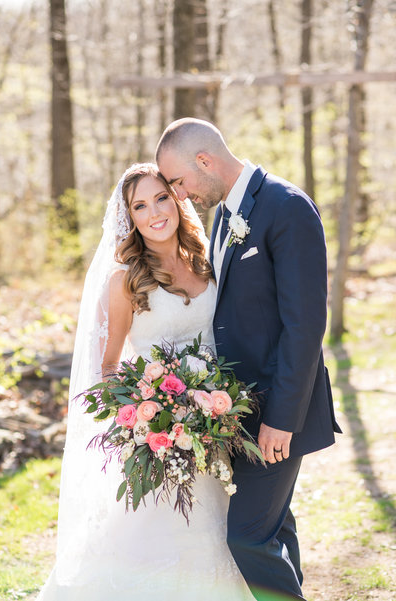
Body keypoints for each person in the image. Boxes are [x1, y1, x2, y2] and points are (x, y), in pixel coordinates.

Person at [36, 163, 255, 600]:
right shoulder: (125, 281)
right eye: (140, 205)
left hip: (216, 427)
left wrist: (214, 408)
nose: (154, 212)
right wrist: (144, 418)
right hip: (161, 438)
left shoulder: (207, 259)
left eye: (160, 197)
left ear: (177, 199)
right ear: (129, 217)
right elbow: (109, 367)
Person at [156, 119, 342, 601]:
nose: (179, 195)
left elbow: (304, 327)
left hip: (280, 414)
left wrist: (281, 419)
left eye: (178, 182)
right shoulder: (224, 216)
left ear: (204, 161)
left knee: (248, 535)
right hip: (238, 413)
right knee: (273, 527)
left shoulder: (287, 207)